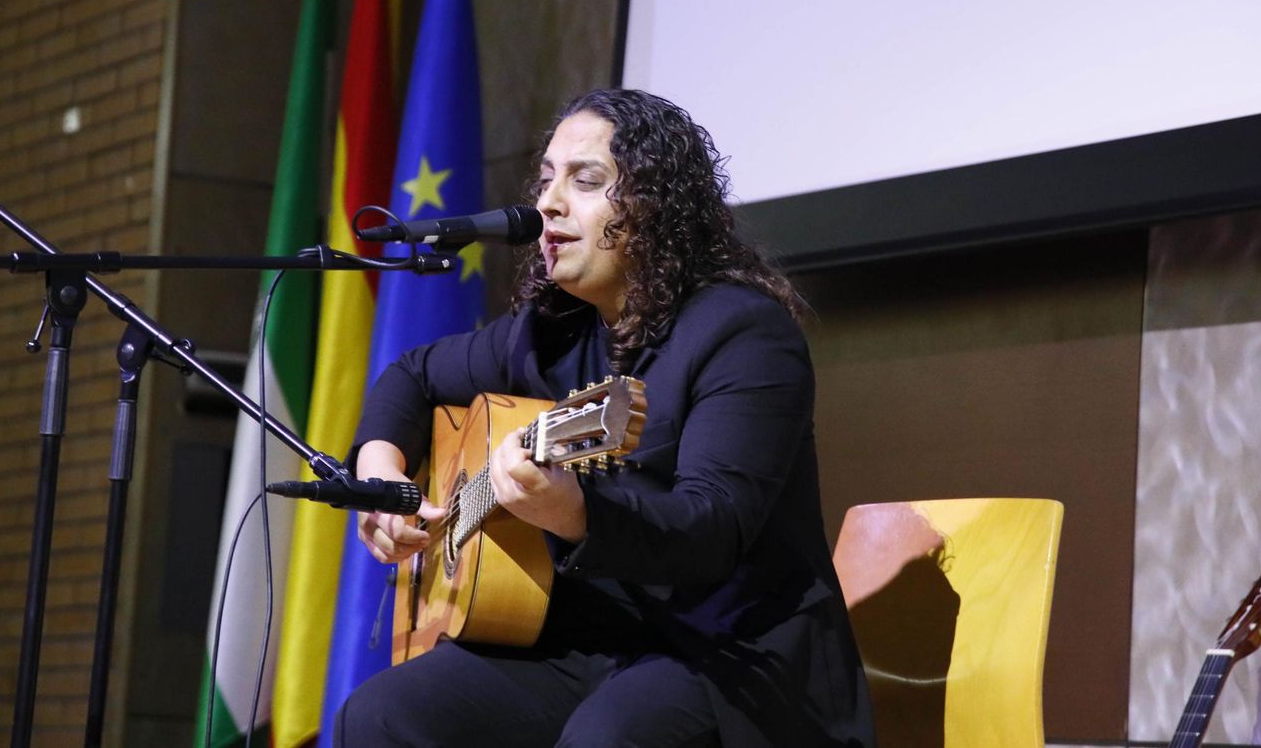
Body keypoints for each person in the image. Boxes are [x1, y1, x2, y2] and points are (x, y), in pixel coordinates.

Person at [336, 88, 874, 747]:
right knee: (382, 716)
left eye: (585, 180)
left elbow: (713, 530)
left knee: (608, 737)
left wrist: (573, 511)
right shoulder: (549, 334)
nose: (549, 203)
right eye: (545, 180)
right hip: (586, 646)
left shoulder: (743, 335)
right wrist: (385, 481)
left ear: (653, 208)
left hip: (731, 658)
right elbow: (411, 376)